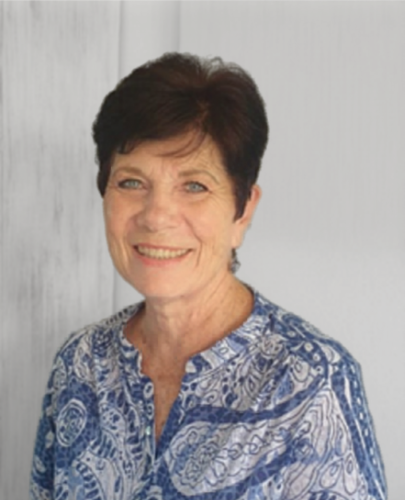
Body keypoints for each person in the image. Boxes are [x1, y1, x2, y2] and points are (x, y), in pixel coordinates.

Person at [30, 53, 386, 500]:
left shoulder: (312, 382)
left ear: (243, 209)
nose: (156, 216)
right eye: (131, 182)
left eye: (194, 186)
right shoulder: (80, 363)